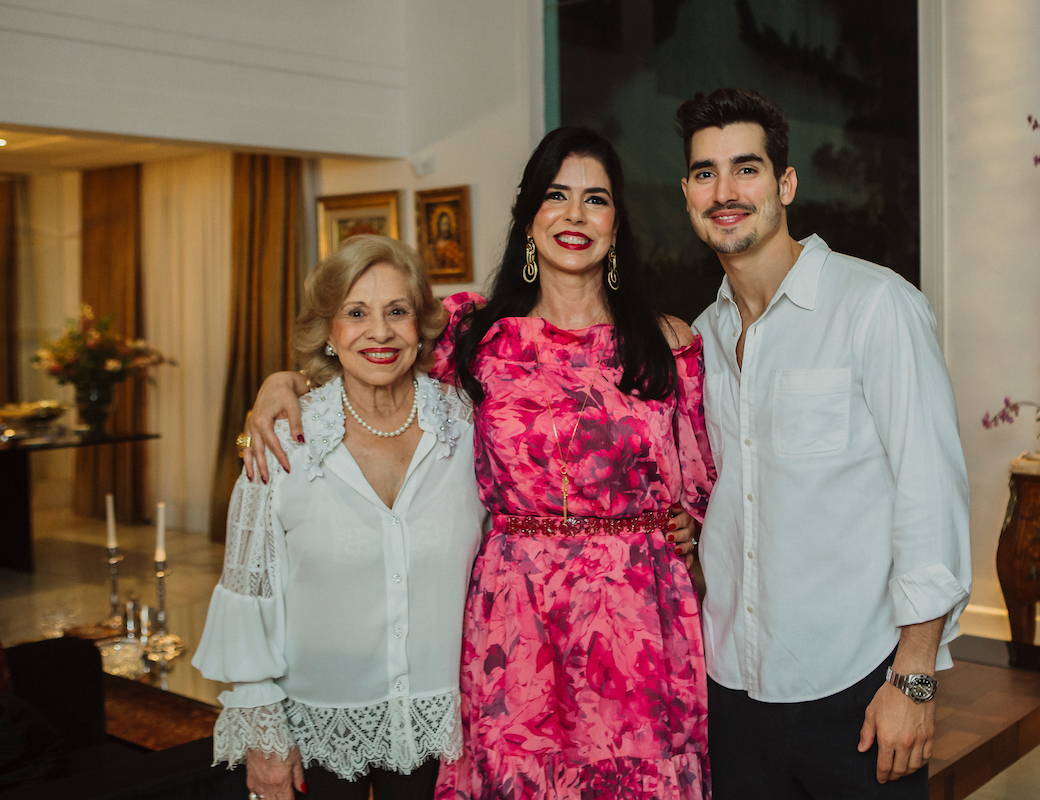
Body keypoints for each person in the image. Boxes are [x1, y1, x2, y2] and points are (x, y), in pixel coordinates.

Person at [243, 127, 714, 799]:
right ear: (528, 216)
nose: (574, 215)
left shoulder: (667, 345)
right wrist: (281, 384)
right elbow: (371, 370)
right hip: (511, 624)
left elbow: (700, 491)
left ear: (617, 224)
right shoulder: (473, 336)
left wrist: (690, 536)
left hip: (634, 625)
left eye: (595, 200)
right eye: (556, 195)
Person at [676, 88, 971, 798]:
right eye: (704, 172)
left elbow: (930, 498)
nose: (725, 191)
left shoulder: (876, 307)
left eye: (746, 169)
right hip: (731, 691)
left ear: (785, 183)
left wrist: (915, 681)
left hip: (859, 690)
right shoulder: (702, 338)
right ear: (686, 191)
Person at [193, 235, 486, 800]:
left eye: (397, 311)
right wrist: (266, 740)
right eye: (356, 313)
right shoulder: (283, 445)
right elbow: (251, 592)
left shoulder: (466, 426)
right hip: (320, 735)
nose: (380, 332)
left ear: (421, 324)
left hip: (447, 727)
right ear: (328, 331)